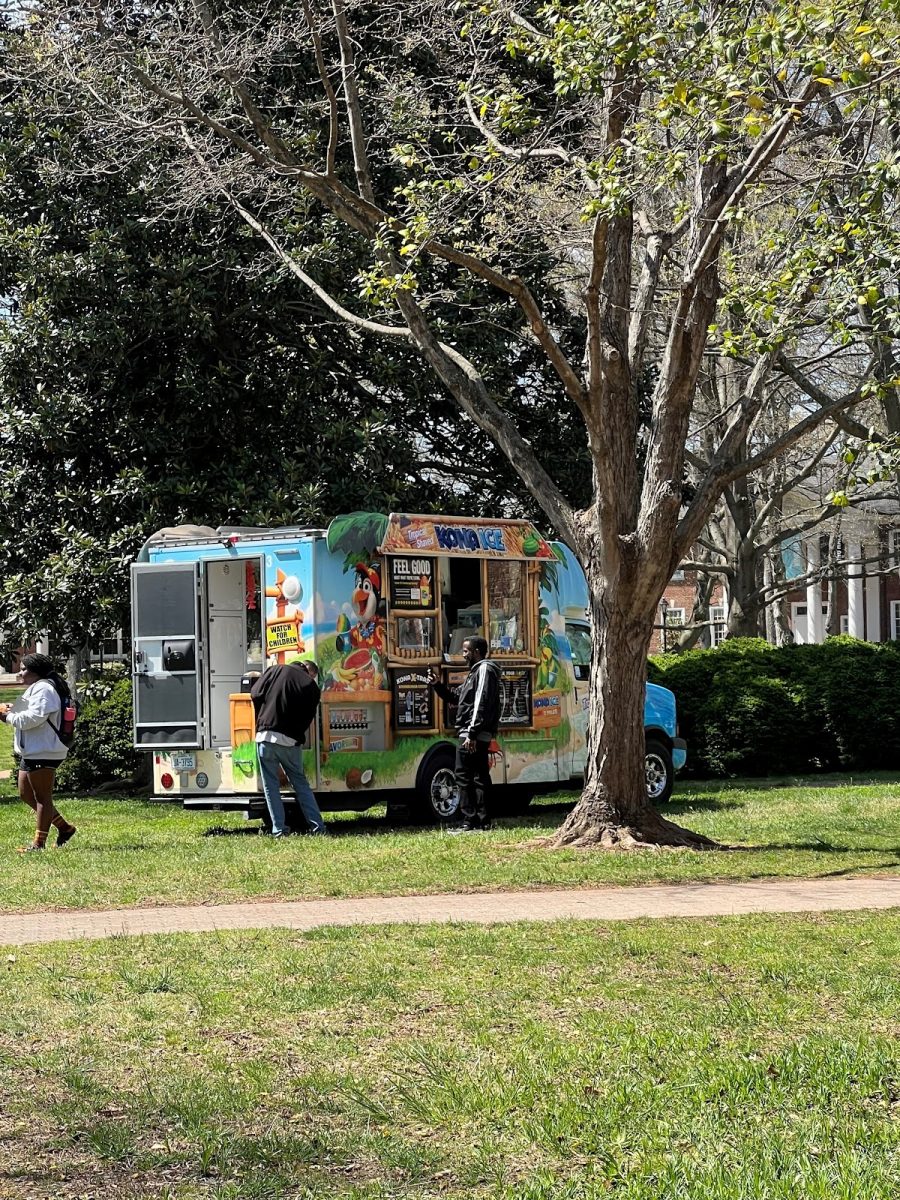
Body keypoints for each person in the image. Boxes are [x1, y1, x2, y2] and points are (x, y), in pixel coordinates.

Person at [0, 653, 77, 853]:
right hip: (33, 750)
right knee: (26, 794)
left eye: (24, 669)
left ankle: (38, 844)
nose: (20, 672)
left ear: (36, 672)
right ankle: (64, 828)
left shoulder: (45, 689)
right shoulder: (40, 687)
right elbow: (30, 713)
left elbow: (33, 719)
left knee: (43, 797)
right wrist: (12, 711)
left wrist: (7, 717)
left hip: (45, 750)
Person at [427, 636, 501, 831]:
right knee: (476, 775)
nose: (463, 654)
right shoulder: (474, 673)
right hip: (472, 731)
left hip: (472, 733)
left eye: (466, 651)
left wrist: (472, 733)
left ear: (477, 651)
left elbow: (480, 703)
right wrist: (437, 685)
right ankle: (481, 821)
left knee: (465, 774)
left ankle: (471, 820)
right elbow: (456, 697)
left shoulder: (484, 670)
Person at [250, 657, 326, 837]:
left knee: (270, 786)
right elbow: (308, 717)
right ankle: (318, 827)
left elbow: (255, 693)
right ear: (310, 672)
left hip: (265, 736)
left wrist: (261, 716)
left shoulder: (276, 669)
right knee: (301, 785)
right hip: (290, 742)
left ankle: (278, 829)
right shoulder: (312, 687)